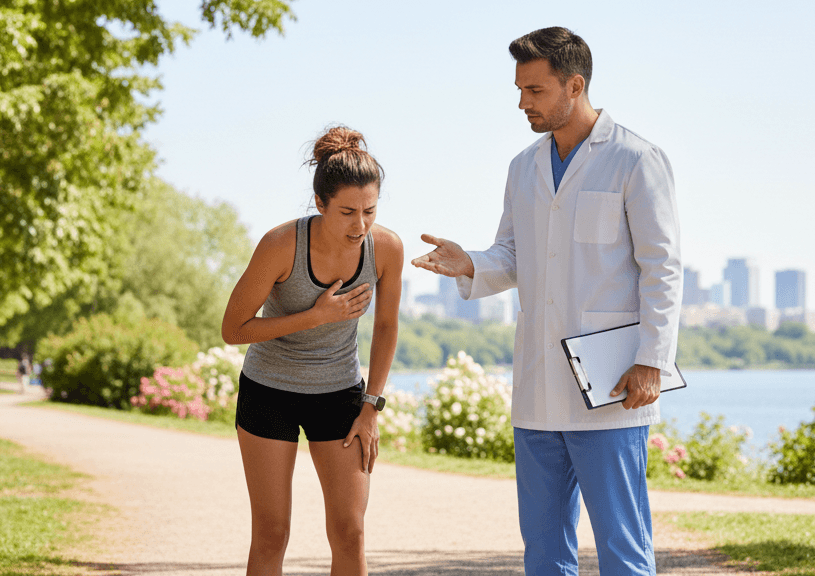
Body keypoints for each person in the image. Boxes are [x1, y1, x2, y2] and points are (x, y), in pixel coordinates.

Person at [412, 27, 682, 576]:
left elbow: (663, 268)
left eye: (534, 90)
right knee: (544, 550)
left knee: (623, 548)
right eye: (519, 89)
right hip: (537, 389)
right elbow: (513, 255)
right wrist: (470, 263)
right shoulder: (522, 167)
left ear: (574, 85)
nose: (521, 102)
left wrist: (652, 359)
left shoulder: (635, 159)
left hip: (609, 389)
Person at [222, 125, 403, 576]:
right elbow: (233, 329)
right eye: (346, 212)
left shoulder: (386, 249)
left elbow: (385, 326)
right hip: (269, 392)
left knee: (350, 531)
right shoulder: (281, 245)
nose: (360, 225)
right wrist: (316, 316)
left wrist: (371, 407)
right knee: (271, 532)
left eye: (369, 211)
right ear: (320, 203)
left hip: (340, 395)